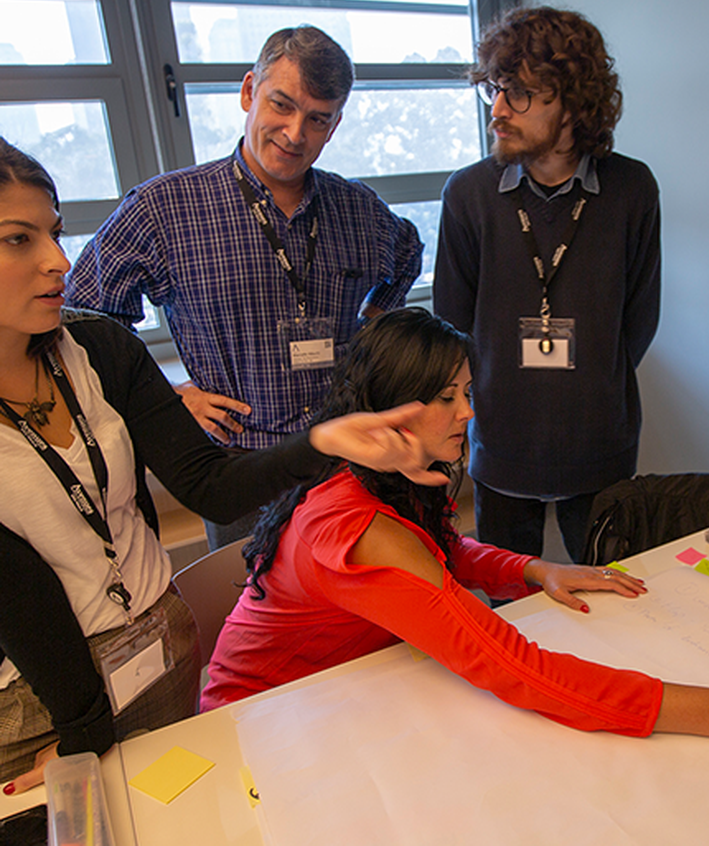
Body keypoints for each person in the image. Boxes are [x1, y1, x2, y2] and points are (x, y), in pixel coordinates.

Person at [0, 138, 444, 793]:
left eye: (55, 232)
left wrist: (326, 441)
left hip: (157, 649)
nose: (58, 262)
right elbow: (21, 601)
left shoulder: (99, 348)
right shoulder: (166, 210)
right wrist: (82, 735)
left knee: (192, 816)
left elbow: (211, 486)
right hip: (39, 705)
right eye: (19, 239)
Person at [201, 308, 709, 747]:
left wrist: (533, 567)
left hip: (353, 688)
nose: (467, 412)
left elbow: (443, 551)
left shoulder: (390, 477)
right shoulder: (354, 527)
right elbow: (512, 666)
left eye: (467, 392)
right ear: (391, 404)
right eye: (446, 397)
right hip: (265, 726)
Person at [67, 25, 424, 549]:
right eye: (281, 104)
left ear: (335, 125)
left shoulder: (358, 210)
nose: (296, 133)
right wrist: (166, 398)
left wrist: (373, 329)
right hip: (241, 470)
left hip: (349, 462)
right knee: (256, 617)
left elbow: (408, 255)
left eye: (317, 119)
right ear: (248, 91)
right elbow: (86, 319)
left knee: (357, 618)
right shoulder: (164, 208)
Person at [433, 6, 660, 563]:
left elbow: (639, 319)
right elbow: (452, 322)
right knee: (508, 602)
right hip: (503, 443)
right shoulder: (468, 195)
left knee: (610, 590)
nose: (498, 111)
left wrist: (591, 387)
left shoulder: (631, 189)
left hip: (601, 442)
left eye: (518, 93)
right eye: (496, 91)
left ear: (571, 100)